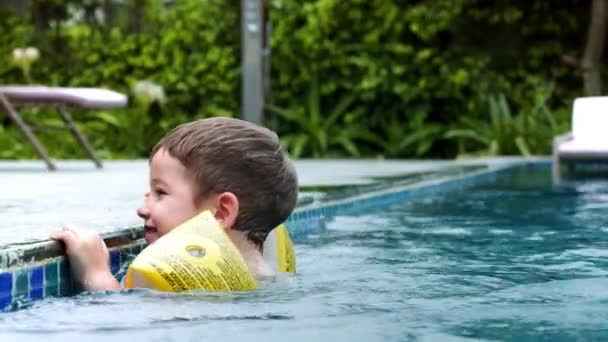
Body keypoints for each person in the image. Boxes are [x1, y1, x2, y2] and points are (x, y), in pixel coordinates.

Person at [50, 117, 299, 291]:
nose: (142, 208)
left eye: (160, 192)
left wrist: (96, 275)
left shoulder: (194, 286)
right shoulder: (269, 278)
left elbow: (120, 322)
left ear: (220, 212)